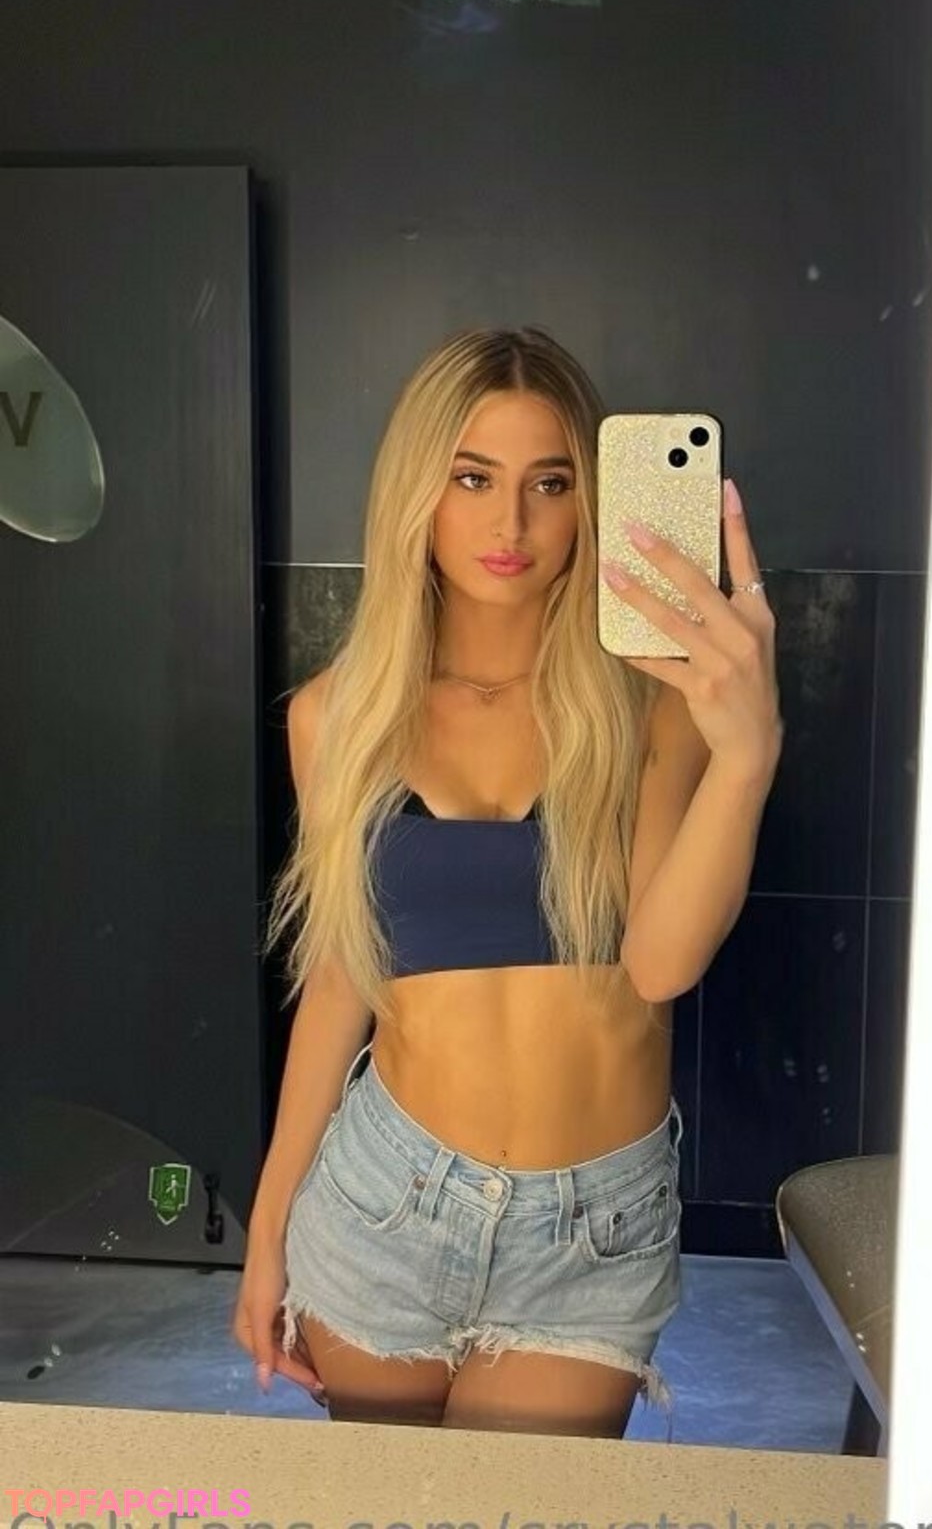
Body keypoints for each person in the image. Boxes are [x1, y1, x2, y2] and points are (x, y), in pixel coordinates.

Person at [232, 326, 782, 1440]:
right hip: (384, 1203)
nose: (511, 525)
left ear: (591, 502)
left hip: (590, 1233)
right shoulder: (337, 716)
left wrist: (748, 754)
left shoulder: (653, 702)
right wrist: (269, 1223)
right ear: (417, 491)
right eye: (474, 478)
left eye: (551, 483)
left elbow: (660, 964)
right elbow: (341, 980)